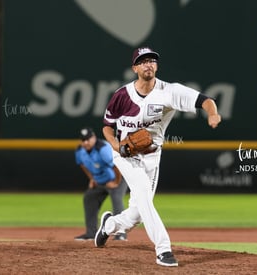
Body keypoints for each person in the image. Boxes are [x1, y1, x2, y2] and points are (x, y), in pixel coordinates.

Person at [94, 47, 221, 267]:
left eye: (152, 60)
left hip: (152, 157)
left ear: (157, 66)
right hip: (125, 156)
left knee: (138, 214)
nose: (148, 64)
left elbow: (205, 100)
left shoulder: (169, 92)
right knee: (143, 195)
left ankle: (109, 225)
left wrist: (213, 113)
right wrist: (117, 147)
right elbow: (107, 127)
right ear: (135, 68)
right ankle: (163, 250)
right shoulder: (122, 95)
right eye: (143, 61)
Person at [74, 127, 129, 241]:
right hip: (101, 180)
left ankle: (120, 234)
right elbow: (82, 165)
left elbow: (116, 165)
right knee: (89, 197)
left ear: (93, 138)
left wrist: (116, 183)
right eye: (83, 140)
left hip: (119, 177)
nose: (85, 142)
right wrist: (92, 179)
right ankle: (91, 233)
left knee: (116, 199)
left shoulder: (102, 148)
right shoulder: (80, 151)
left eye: (88, 139)